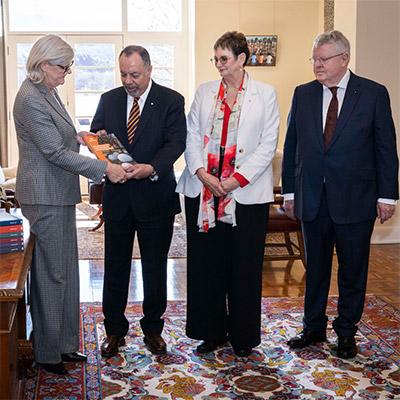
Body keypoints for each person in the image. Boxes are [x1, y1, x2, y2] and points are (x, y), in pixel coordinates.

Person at [13, 35, 126, 375]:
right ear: (44, 65)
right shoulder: (30, 98)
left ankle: (65, 345)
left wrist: (83, 138)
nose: (68, 72)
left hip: (57, 194)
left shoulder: (47, 91)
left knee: (65, 273)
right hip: (43, 195)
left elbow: (60, 138)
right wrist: (105, 168)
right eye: (63, 66)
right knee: (51, 275)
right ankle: (48, 354)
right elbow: (52, 153)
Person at [282, 30, 399, 359]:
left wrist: (387, 196)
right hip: (312, 198)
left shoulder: (373, 94)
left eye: (323, 59)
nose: (317, 65)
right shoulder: (303, 94)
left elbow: (385, 147)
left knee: (352, 269)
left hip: (356, 199)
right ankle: (313, 326)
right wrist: (289, 190)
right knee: (315, 268)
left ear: (344, 59)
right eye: (314, 59)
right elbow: (293, 145)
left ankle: (346, 332)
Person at [176, 31, 279, 357]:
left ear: (241, 59)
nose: (218, 65)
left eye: (224, 59)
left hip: (245, 196)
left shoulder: (265, 94)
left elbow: (267, 144)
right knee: (207, 266)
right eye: (215, 59)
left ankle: (243, 336)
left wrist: (236, 180)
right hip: (204, 194)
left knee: (244, 266)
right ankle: (211, 331)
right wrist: (202, 173)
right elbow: (191, 135)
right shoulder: (205, 92)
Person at [91, 45, 186, 357]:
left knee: (155, 268)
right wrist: (106, 156)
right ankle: (114, 331)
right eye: (123, 74)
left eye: (134, 74)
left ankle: (153, 329)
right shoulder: (109, 99)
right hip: (119, 197)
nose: (128, 80)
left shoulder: (171, 100)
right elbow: (97, 134)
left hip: (155, 197)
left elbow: (176, 142)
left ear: (149, 70)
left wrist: (152, 167)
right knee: (115, 267)